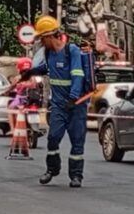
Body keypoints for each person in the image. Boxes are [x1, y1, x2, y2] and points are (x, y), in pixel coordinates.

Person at [20, 16, 97, 188]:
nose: (41, 43)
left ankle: (76, 176)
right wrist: (31, 72)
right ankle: (52, 170)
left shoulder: (72, 51)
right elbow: (47, 68)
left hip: (75, 105)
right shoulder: (49, 54)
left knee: (77, 141)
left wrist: (73, 97)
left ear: (49, 36)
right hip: (58, 106)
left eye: (41, 39)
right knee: (53, 138)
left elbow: (78, 74)